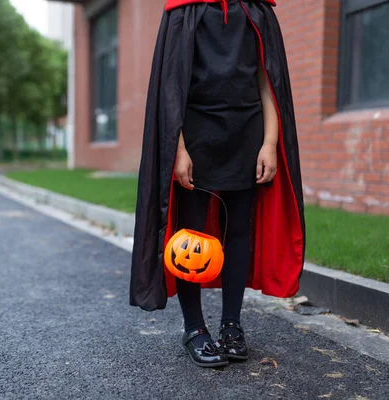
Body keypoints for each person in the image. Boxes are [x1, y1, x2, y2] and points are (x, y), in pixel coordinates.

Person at [130, 0, 306, 368]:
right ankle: (194, 328)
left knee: (238, 228)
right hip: (197, 137)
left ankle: (231, 325)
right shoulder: (183, 10)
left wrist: (270, 143)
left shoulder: (257, 10)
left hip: (247, 134)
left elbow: (267, 80)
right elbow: (171, 88)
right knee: (190, 236)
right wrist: (178, 149)